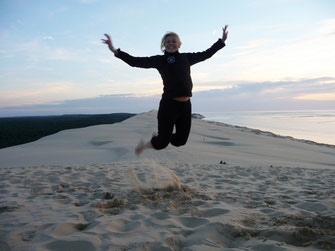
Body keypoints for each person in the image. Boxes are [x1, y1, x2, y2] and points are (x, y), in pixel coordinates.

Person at [102, 25, 228, 155]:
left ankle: (162, 137)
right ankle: (154, 141)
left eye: (174, 41)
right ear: (164, 45)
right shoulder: (160, 60)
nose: (171, 44)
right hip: (169, 105)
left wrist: (221, 42)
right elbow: (135, 61)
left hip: (185, 105)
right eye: (167, 42)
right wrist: (114, 50)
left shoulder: (186, 58)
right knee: (162, 143)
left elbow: (206, 54)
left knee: (180, 141)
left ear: (179, 44)